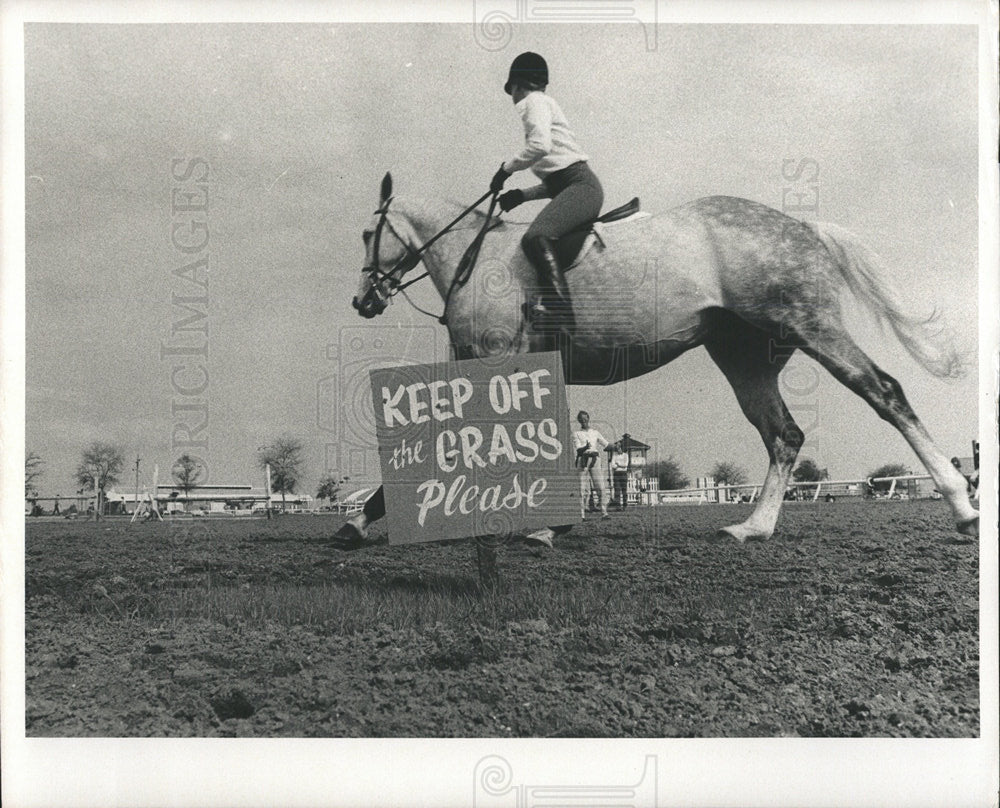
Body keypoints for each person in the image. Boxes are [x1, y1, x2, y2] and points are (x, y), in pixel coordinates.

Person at [490, 52, 604, 331]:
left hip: (582, 186)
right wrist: (522, 196)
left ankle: (562, 312)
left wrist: (506, 169)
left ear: (517, 85)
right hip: (577, 185)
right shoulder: (543, 102)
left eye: (512, 91)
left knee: (536, 237)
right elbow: (556, 182)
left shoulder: (533, 102)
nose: (513, 97)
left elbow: (539, 145)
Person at [572, 410, 609, 518]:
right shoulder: (576, 434)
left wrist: (617, 447)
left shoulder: (595, 432)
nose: (584, 421)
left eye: (585, 419)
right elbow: (578, 449)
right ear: (579, 421)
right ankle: (581, 514)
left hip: (595, 459)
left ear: (588, 418)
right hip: (583, 459)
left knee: (600, 485)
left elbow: (605, 444)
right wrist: (585, 447)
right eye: (581, 420)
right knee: (582, 488)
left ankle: (604, 512)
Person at [609, 442, 630, 510]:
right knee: (617, 490)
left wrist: (618, 464)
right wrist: (619, 465)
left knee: (624, 490)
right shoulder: (614, 455)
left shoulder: (625, 455)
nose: (618, 449)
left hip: (623, 473)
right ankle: (618, 506)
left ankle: (625, 505)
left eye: (619, 448)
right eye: (617, 448)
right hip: (616, 474)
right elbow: (612, 465)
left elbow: (625, 465)